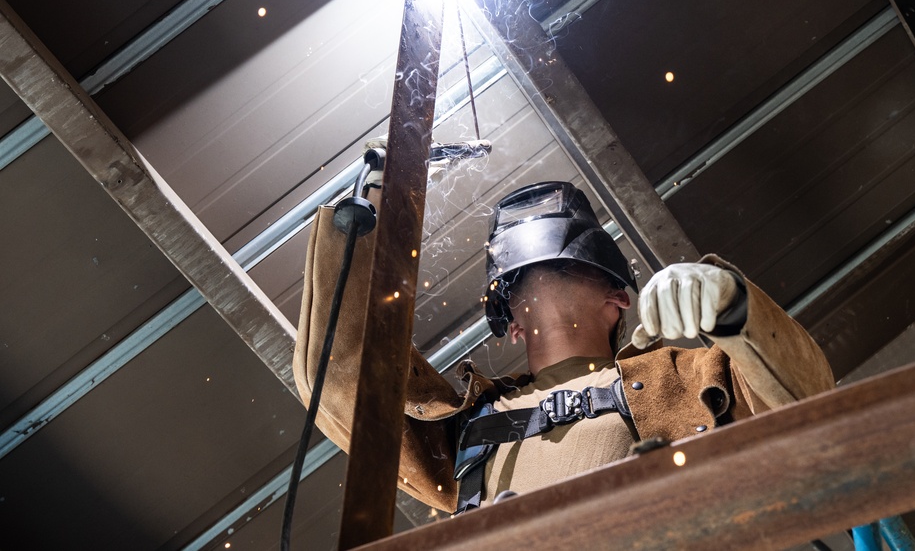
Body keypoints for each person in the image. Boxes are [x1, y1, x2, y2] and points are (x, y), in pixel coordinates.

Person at [293, 180, 834, 515]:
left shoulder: (688, 378)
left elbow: (811, 404)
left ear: (619, 297)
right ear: (511, 327)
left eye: (568, 268)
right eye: (522, 286)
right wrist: (371, 225)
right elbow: (339, 377)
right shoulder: (459, 432)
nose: (541, 279)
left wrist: (734, 308)